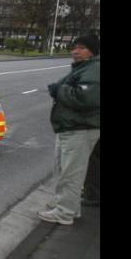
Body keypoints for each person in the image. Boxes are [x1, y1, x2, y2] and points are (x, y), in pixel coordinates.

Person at [39, 34, 100, 225]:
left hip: (80, 128)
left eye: (81, 47)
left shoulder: (95, 69)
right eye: (74, 47)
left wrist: (59, 90)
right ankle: (65, 205)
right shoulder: (85, 67)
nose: (75, 51)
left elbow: (86, 98)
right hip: (71, 127)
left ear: (92, 50)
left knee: (71, 173)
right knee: (64, 170)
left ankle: (65, 213)